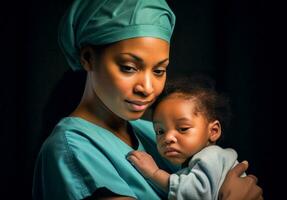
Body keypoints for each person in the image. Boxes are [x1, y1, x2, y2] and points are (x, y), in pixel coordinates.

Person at [32, 0, 263, 199]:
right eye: (129, 68)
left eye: (159, 71)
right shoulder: (73, 149)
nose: (148, 88)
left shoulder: (153, 132)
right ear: (88, 58)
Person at [127, 77, 244, 200]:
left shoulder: (211, 156)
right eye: (160, 131)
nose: (168, 138)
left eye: (183, 128)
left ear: (213, 131)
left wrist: (154, 173)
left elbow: (196, 194)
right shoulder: (199, 161)